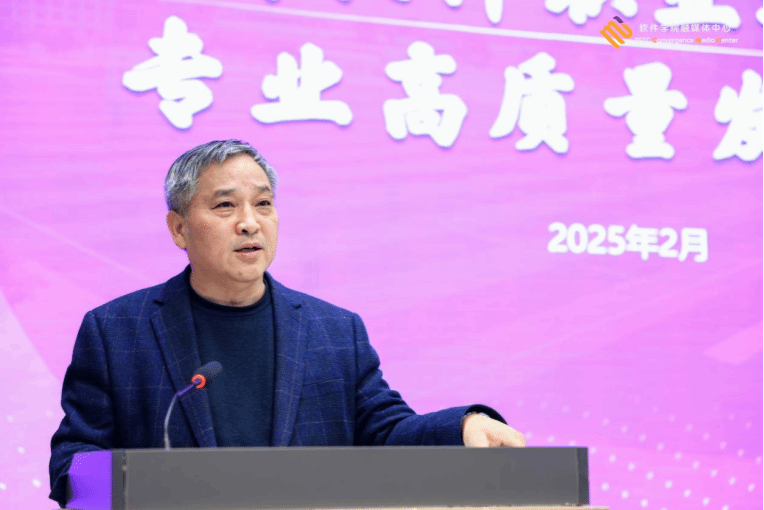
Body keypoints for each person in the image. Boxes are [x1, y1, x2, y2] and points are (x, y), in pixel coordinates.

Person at [48, 139, 526, 508]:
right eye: (225, 206)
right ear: (179, 229)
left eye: (263, 204)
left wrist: (462, 426)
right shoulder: (116, 331)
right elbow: (73, 461)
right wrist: (136, 492)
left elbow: (384, 432)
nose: (250, 222)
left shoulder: (335, 332)